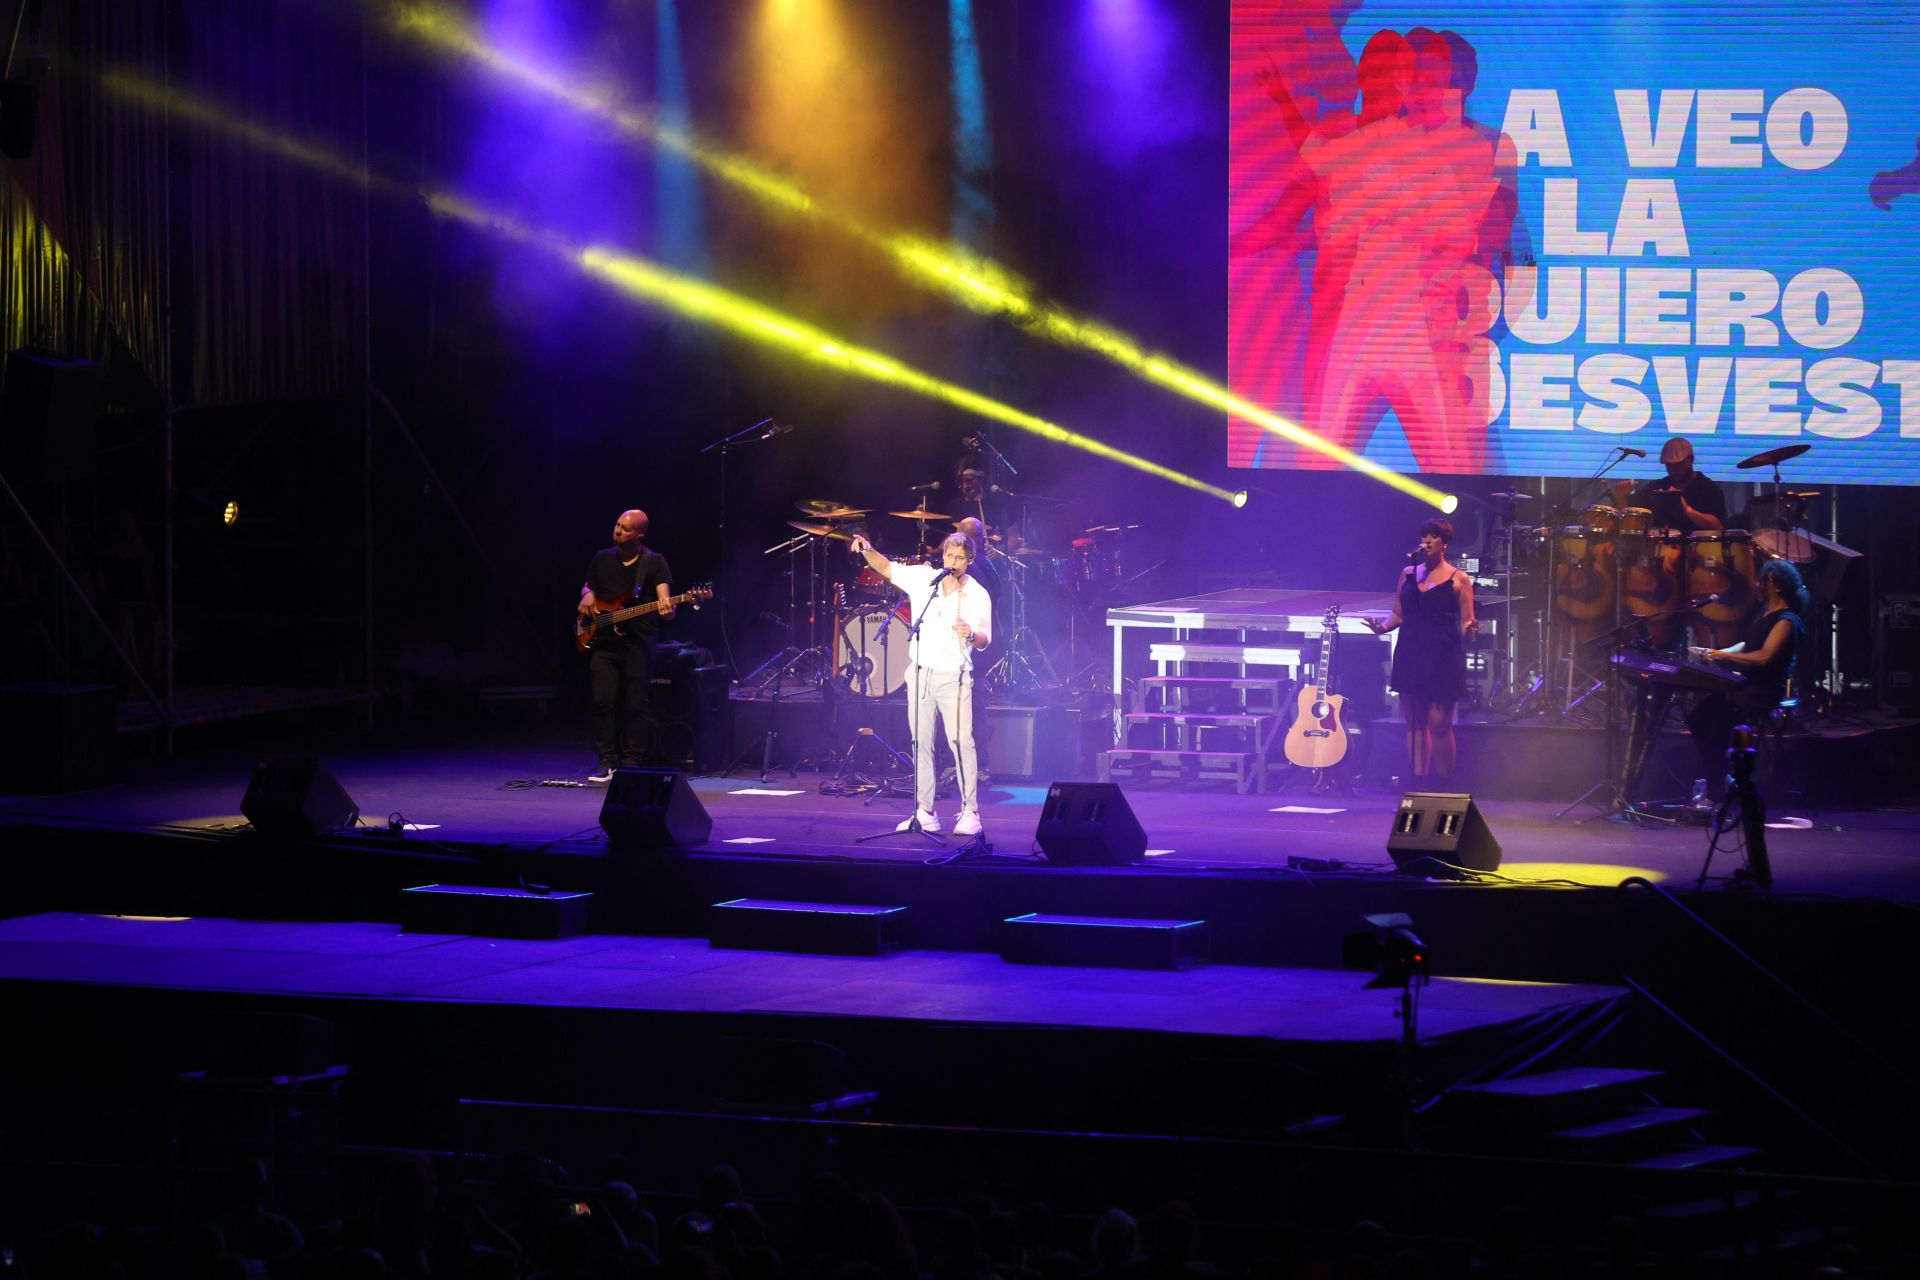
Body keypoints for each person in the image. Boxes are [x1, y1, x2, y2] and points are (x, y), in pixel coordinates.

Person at [848, 530, 992, 836]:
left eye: (959, 558)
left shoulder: (978, 593)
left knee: (960, 742)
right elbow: (886, 567)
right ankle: (925, 811)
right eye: (948, 556)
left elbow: (984, 640)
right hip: (920, 674)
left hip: (954, 677)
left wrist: (970, 634)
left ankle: (970, 812)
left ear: (969, 560)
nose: (952, 562)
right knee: (920, 744)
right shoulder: (925, 579)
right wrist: (866, 548)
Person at [1365, 518, 1478, 783]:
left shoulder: (1458, 579)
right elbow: (1398, 613)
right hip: (1411, 653)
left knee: (1439, 724)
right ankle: (1418, 781)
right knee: (1415, 724)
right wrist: (1381, 628)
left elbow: (1465, 620)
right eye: (1424, 535)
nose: (1427, 541)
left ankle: (1443, 783)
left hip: (1442, 657)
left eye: (1433, 536)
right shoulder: (1408, 573)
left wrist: (1470, 630)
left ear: (1445, 543)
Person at [1685, 558, 1807, 799]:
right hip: (1746, 687)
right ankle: (1719, 779)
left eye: (1763, 579)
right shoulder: (1765, 614)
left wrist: (1721, 656)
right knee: (1699, 716)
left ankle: (1719, 783)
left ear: (1776, 585)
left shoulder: (1787, 620)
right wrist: (1715, 653)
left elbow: (1764, 657)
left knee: (1713, 719)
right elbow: (1747, 645)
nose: (1758, 584)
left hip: (1762, 692)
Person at [579, 509, 674, 783]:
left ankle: (632, 761)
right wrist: (586, 595)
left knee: (636, 703)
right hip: (603, 642)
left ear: (639, 535)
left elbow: (664, 597)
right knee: (603, 701)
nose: (618, 530)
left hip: (638, 642)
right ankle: (606, 761)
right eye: (617, 525)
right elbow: (588, 586)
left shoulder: (654, 562)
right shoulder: (602, 558)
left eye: (625, 528)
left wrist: (667, 607)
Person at [1620, 437, 1726, 532]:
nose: (1674, 470)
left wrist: (1688, 511)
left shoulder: (1708, 489)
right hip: (1660, 548)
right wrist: (1622, 495)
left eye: (1678, 465)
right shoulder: (1658, 486)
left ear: (1690, 460)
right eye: (1669, 466)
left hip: (1696, 550)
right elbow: (1629, 514)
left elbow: (1718, 526)